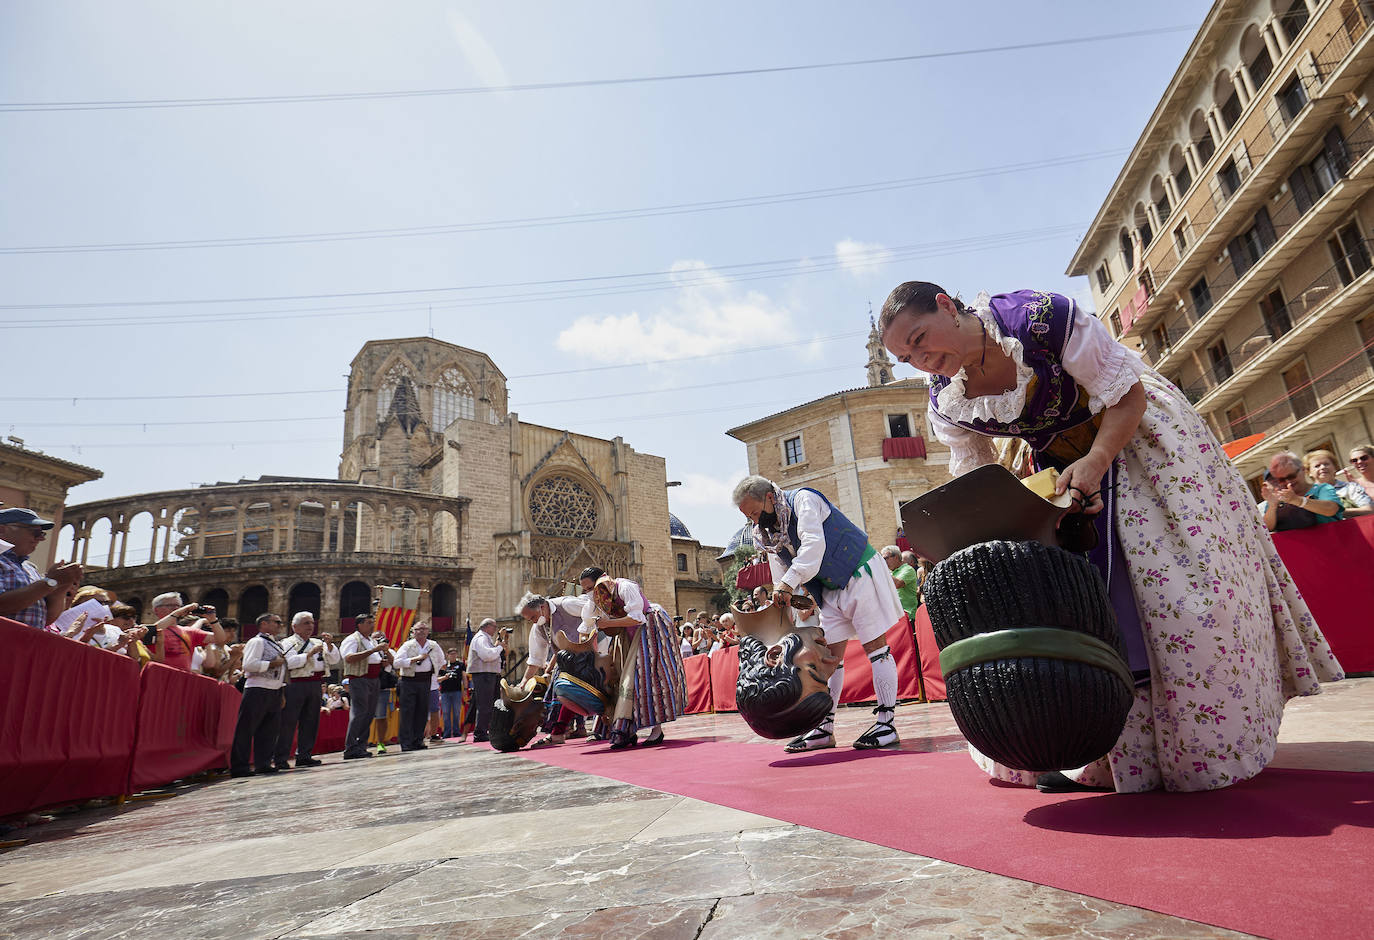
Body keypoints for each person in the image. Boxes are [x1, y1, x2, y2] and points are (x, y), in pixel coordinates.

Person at [879, 281, 1343, 792]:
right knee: (1075, 602)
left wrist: (1097, 462)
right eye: (906, 357)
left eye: (920, 339)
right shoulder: (946, 397)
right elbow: (974, 471)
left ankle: (1192, 744)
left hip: (1139, 441)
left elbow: (1129, 395)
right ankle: (1093, 751)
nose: (920, 360)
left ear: (947, 305)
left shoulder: (1040, 319)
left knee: (1171, 594)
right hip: (1057, 470)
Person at [732, 476, 905, 752]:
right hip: (829, 589)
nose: (753, 521)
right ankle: (824, 728)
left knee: (876, 648)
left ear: (767, 497)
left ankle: (887, 723)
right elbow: (780, 573)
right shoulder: (766, 534)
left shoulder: (803, 500)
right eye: (747, 516)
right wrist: (783, 603)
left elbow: (814, 545)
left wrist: (789, 583)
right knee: (829, 659)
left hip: (859, 570)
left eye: (754, 512)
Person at [578, 566, 687, 750]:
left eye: (590, 588)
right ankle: (625, 729)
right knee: (620, 676)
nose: (588, 593)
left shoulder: (625, 587)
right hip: (625, 634)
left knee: (648, 675)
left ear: (603, 579)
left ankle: (656, 730)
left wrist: (608, 623)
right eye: (585, 590)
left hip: (650, 627)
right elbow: (586, 627)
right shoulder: (597, 600)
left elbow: (638, 618)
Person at [516, 591, 594, 747]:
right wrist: (524, 681)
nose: (532, 621)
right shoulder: (538, 627)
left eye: (532, 617)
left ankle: (602, 727)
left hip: (592, 654)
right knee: (564, 692)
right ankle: (558, 733)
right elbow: (535, 658)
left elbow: (596, 611)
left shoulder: (566, 604)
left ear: (542, 607)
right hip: (567, 662)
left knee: (574, 691)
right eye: (528, 619)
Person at [273, 612, 340, 770]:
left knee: (311, 721)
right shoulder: (287, 642)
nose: (310, 626)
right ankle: (281, 758)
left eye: (311, 622)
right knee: (288, 722)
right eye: (306, 623)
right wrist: (309, 654)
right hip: (295, 684)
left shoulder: (318, 642)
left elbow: (334, 660)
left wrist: (330, 646)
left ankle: (304, 755)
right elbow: (288, 663)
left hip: (315, 683)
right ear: (294, 626)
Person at [0, 508, 83, 629]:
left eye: (42, 533)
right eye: (34, 532)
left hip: (23, 644)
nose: (41, 538)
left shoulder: (30, 569)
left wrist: (62, 586)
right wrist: (50, 582)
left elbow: (45, 619)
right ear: (2, 529)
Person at [230, 613, 287, 778]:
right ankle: (240, 766)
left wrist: (281, 691)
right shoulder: (256, 641)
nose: (279, 625)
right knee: (246, 729)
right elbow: (248, 664)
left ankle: (263, 763)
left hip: (274, 689)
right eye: (276, 622)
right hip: (257, 688)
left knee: (269, 730)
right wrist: (270, 664)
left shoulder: (276, 644)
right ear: (264, 624)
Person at [339, 613, 391, 760]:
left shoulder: (370, 640)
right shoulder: (352, 639)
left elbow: (374, 657)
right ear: (359, 624)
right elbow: (349, 658)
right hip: (360, 678)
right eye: (368, 623)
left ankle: (361, 745)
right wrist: (373, 651)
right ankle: (351, 746)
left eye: (372, 622)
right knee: (359, 712)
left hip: (374, 679)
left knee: (368, 713)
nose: (372, 625)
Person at [1259, 451, 1344, 532]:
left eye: (1292, 476)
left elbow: (1331, 509)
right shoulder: (1277, 499)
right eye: (1282, 479)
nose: (1288, 482)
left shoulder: (1322, 489)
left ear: (1303, 469)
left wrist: (1297, 500)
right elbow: (1267, 528)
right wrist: (1272, 506)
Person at [394, 621, 444, 751]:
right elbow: (397, 663)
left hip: (426, 681)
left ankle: (418, 740)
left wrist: (433, 673)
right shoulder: (407, 645)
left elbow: (441, 660)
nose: (421, 631)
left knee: (422, 711)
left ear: (428, 631)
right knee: (407, 712)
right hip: (409, 681)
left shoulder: (433, 645)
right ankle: (406, 742)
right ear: (413, 631)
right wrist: (415, 659)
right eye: (418, 629)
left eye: (424, 629)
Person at [150, 593, 228, 671]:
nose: (175, 608)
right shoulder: (148, 628)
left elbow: (219, 638)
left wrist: (213, 619)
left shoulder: (188, 631)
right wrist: (177, 613)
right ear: (157, 610)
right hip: (159, 674)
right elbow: (151, 631)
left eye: (178, 606)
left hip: (182, 677)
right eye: (170, 605)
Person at [466, 618, 505, 742]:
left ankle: (485, 730)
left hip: (489, 675)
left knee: (490, 704)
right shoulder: (481, 638)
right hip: (483, 675)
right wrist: (499, 648)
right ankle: (480, 733)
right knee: (485, 705)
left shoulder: (485, 638)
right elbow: (487, 656)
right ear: (487, 627)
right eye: (494, 627)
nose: (495, 629)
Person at [1305, 448, 1372, 517]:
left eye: (1326, 464)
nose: (1322, 467)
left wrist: (1334, 511)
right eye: (1317, 466)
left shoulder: (1351, 488)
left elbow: (1370, 510)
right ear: (1309, 472)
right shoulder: (1307, 495)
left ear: (1335, 468)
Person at [881, 545, 921, 625]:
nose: (884, 562)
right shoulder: (891, 573)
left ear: (895, 557)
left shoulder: (908, 569)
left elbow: (897, 584)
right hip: (894, 617)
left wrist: (883, 569)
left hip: (907, 617)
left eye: (886, 558)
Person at [437, 648, 465, 740]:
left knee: (457, 712)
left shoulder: (460, 665)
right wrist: (444, 677)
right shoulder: (443, 666)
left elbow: (464, 677)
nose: (453, 655)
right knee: (445, 713)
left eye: (455, 654)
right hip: (445, 692)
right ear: (447, 655)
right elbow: (437, 678)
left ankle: (456, 731)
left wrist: (465, 689)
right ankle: (447, 732)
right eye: (451, 654)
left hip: (457, 691)